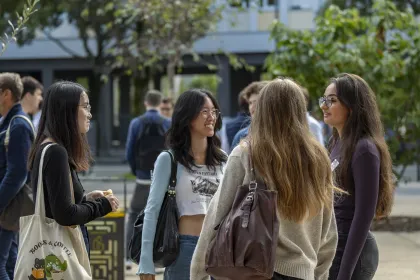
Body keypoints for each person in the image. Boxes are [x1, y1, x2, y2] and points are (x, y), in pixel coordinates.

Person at [191, 78, 338, 280]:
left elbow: (215, 217)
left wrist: (197, 274)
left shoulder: (246, 154)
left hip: (253, 269)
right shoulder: (318, 158)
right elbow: (328, 232)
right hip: (303, 272)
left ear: (263, 109)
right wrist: (319, 275)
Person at [138, 89, 227, 280]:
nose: (211, 117)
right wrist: (146, 262)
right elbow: (151, 210)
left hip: (220, 248)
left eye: (214, 112)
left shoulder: (223, 160)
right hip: (186, 247)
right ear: (187, 116)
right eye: (204, 111)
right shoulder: (169, 159)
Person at [28, 81, 120, 257]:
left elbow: (54, 203)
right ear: (67, 110)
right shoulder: (56, 151)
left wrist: (86, 198)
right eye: (85, 107)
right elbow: (65, 215)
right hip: (60, 254)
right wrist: (102, 205)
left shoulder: (47, 146)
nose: (90, 114)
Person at [319, 73, 394, 280]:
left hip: (353, 252)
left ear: (352, 106)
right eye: (323, 100)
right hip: (334, 245)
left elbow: (363, 216)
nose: (324, 106)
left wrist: (345, 272)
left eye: (332, 101)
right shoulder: (336, 144)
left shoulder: (364, 149)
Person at [125, 90, 171, 267]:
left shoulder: (136, 123)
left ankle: (129, 256)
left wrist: (136, 171)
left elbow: (130, 150)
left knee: (135, 214)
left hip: (143, 177)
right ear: (160, 103)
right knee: (164, 215)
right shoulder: (168, 122)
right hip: (164, 178)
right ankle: (161, 254)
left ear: (145, 103)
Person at [0, 73, 34, 279]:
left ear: (6, 94)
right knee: (11, 263)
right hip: (8, 209)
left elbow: (18, 173)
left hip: (8, 208)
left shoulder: (18, 125)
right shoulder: (10, 122)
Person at [230, 81, 268, 152]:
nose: (252, 107)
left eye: (256, 102)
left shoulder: (281, 132)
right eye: (250, 103)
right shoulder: (241, 135)